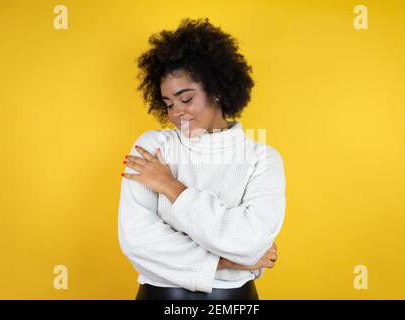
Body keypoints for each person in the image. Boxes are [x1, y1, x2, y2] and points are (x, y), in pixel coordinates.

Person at [118, 17, 286, 300]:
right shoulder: (153, 147)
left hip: (234, 301)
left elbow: (251, 241)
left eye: (186, 99)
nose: (176, 113)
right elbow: (137, 241)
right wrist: (229, 261)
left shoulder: (263, 159)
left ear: (217, 91)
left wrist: (171, 187)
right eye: (168, 104)